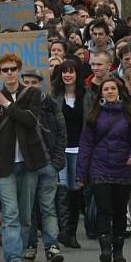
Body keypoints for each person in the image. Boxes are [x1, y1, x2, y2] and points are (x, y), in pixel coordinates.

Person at [77, 77, 131, 262]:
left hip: (123, 167)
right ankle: (105, 248)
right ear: (101, 94)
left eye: (112, 88)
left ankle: (119, 249)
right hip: (100, 167)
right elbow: (86, 145)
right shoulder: (94, 115)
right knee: (104, 209)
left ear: (118, 91)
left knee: (119, 211)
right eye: (105, 89)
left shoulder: (129, 115)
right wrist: (81, 174)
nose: (109, 91)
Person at [0, 53, 47, 262]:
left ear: (19, 69)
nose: (10, 73)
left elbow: (31, 120)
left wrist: (7, 106)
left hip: (29, 162)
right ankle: (13, 258)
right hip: (4, 164)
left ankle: (19, 256)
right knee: (11, 213)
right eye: (5, 70)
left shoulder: (32, 93)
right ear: (0, 73)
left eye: (13, 68)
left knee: (25, 215)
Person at [20, 71, 65, 262]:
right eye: (27, 82)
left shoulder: (50, 104)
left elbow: (62, 133)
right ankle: (30, 245)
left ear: (41, 84)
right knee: (28, 210)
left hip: (47, 164)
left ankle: (51, 247)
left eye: (34, 82)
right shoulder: (18, 105)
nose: (30, 86)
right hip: (28, 165)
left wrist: (56, 163)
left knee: (48, 208)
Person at [51, 59, 93, 249]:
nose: (67, 75)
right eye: (64, 72)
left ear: (77, 74)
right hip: (60, 150)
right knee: (61, 191)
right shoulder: (54, 96)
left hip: (79, 149)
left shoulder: (87, 96)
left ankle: (72, 232)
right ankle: (63, 231)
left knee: (76, 191)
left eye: (71, 72)